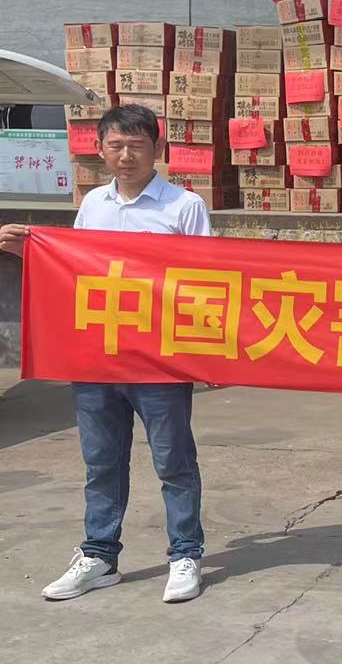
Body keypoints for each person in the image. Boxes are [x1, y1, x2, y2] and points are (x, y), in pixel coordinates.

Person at [0, 104, 213, 604]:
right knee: (101, 462)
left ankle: (185, 554)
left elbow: (207, 281)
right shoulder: (93, 204)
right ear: (99, 150)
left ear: (158, 149)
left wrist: (207, 356)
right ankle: (99, 556)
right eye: (115, 145)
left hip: (159, 360)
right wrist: (28, 251)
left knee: (174, 461)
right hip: (97, 357)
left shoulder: (184, 206)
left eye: (137, 145)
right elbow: (74, 271)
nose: (126, 155)